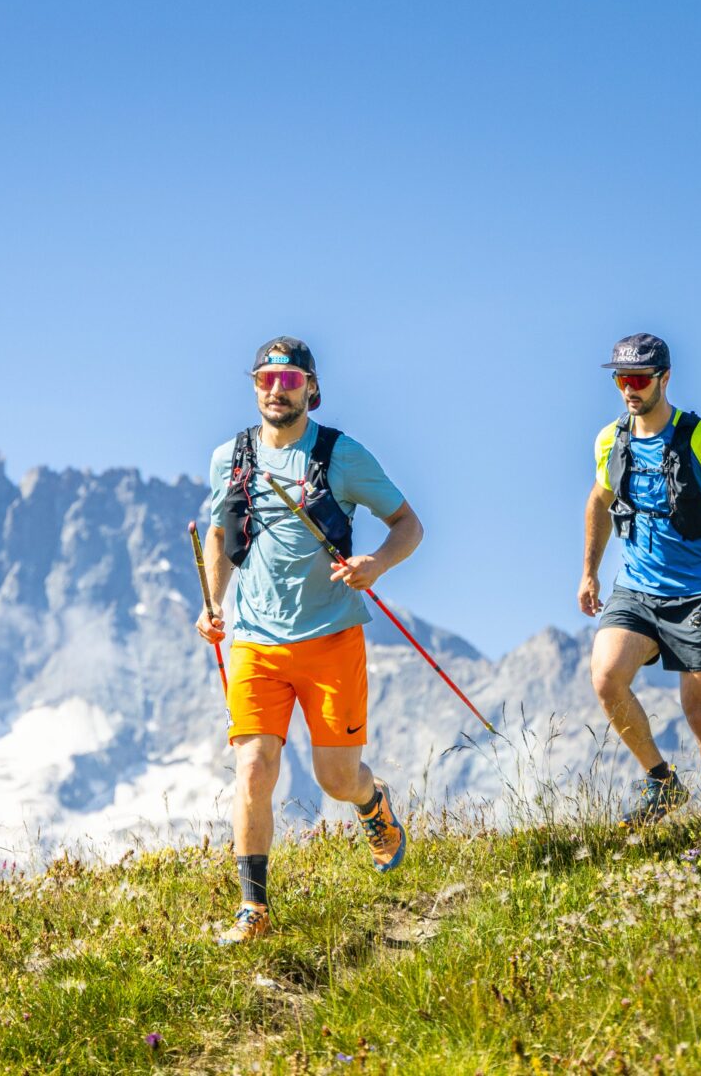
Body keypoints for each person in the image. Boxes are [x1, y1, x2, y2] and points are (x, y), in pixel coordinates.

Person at [196, 336, 423, 945]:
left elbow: (409, 525)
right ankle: (254, 910)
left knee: (334, 778)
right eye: (267, 378)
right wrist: (214, 603)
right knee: (254, 767)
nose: (277, 389)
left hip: (330, 637)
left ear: (310, 390)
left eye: (290, 381)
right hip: (254, 640)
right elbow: (219, 532)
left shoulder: (340, 455)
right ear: (253, 385)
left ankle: (373, 805)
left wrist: (373, 564)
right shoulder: (230, 456)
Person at [578, 333, 701, 825]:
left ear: (665, 378)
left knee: (700, 713)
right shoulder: (609, 439)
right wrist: (589, 574)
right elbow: (598, 503)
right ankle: (662, 783)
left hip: (699, 595)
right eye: (622, 379)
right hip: (635, 591)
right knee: (606, 676)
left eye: (639, 379)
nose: (629, 390)